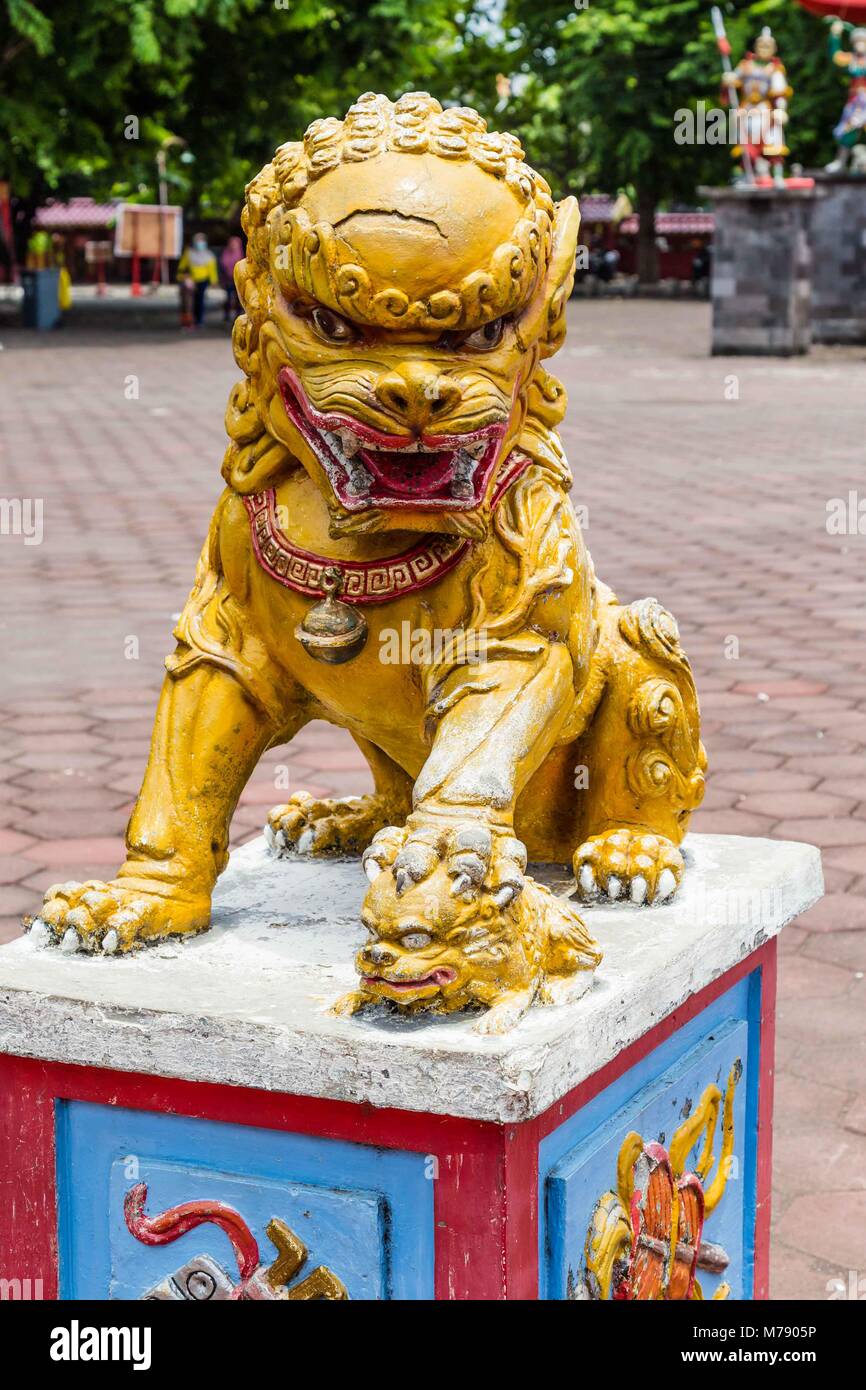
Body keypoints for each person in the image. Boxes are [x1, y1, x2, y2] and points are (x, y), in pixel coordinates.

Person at [826, 21, 866, 173]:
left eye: (863, 41)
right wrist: (835, 35)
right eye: (857, 41)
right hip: (855, 102)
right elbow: (836, 56)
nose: (860, 45)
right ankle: (840, 161)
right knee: (848, 131)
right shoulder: (852, 59)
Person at [177, 233, 218, 328]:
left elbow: (212, 270)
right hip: (191, 281)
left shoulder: (209, 255)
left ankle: (199, 320)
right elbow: (182, 267)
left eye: (202, 241)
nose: (200, 243)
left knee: (200, 301)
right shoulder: (189, 253)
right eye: (198, 241)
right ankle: (190, 321)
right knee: (190, 303)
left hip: (203, 281)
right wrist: (181, 277)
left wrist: (214, 281)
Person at [220, 235, 244, 323]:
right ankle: (227, 317)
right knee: (228, 299)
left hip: (238, 280)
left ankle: (238, 317)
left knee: (239, 299)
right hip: (228, 280)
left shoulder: (240, 253)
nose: (233, 245)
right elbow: (223, 264)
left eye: (235, 243)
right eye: (232, 243)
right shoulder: (226, 252)